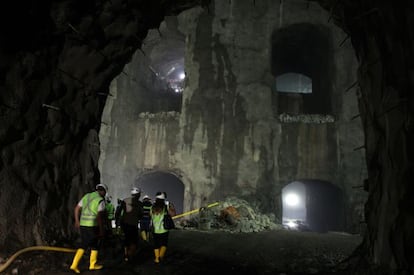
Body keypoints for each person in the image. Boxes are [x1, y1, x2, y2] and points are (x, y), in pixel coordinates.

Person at [69, 183, 108, 273]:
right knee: (86, 244)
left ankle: (92, 264)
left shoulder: (87, 196)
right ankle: (74, 265)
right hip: (92, 225)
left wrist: (77, 221)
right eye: (105, 192)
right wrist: (102, 230)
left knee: (94, 244)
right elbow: (99, 217)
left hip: (83, 224)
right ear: (103, 191)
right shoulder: (100, 200)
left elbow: (76, 208)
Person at [118, 186, 143, 261]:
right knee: (134, 241)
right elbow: (140, 215)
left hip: (124, 224)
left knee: (126, 239)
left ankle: (126, 254)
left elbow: (119, 211)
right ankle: (130, 255)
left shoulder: (125, 201)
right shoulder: (140, 204)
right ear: (138, 194)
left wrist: (118, 222)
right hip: (133, 224)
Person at [150, 192, 176, 263]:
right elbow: (173, 214)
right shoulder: (166, 206)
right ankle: (161, 256)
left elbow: (151, 216)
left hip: (155, 230)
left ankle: (157, 259)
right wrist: (170, 206)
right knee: (164, 244)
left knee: (156, 244)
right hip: (164, 229)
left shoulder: (152, 207)